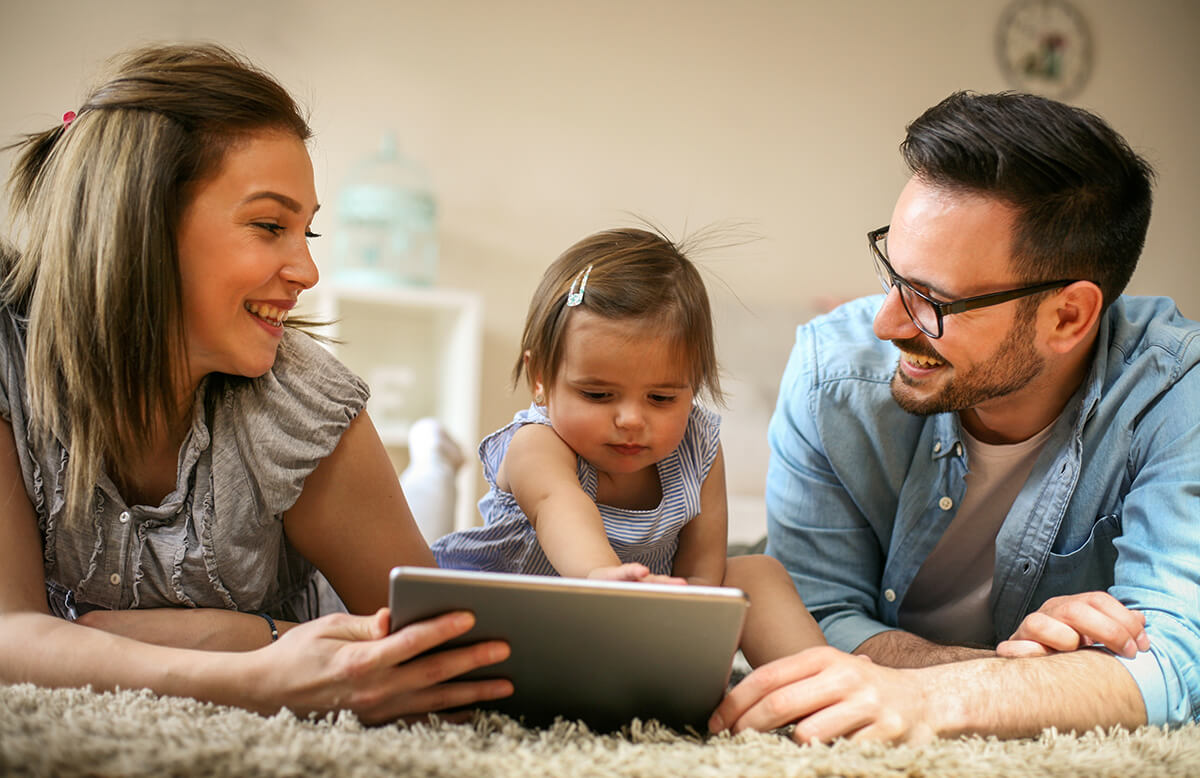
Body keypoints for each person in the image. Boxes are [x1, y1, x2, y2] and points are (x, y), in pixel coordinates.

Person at [0, 43, 513, 724]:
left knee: (425, 517)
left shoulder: (299, 400)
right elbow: (10, 631)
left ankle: (430, 471)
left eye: (308, 231)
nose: (307, 271)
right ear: (139, 223)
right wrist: (249, 676)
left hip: (317, 581)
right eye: (270, 225)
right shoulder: (12, 360)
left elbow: (443, 658)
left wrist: (262, 639)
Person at [709, 91, 1200, 742]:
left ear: (1068, 317)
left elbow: (1176, 662)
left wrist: (929, 699)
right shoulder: (833, 375)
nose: (887, 323)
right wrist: (1001, 678)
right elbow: (816, 611)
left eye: (933, 300)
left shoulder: (1173, 395)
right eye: (893, 273)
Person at [432, 228, 824, 665]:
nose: (632, 420)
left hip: (640, 637)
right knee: (431, 557)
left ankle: (821, 682)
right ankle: (431, 472)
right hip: (532, 627)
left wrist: (685, 623)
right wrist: (607, 580)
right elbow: (562, 509)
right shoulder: (537, 445)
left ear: (692, 384)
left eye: (662, 398)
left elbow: (702, 568)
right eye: (598, 395)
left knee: (758, 571)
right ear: (540, 377)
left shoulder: (699, 447)